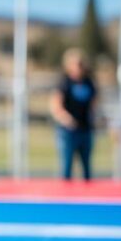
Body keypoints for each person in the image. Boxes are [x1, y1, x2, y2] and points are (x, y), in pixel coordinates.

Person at [50, 48, 98, 181]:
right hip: (68, 132)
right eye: (76, 64)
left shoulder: (89, 82)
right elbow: (56, 104)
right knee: (66, 168)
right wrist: (66, 118)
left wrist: (94, 116)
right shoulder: (64, 82)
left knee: (87, 168)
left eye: (81, 64)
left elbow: (94, 102)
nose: (79, 67)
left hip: (85, 129)